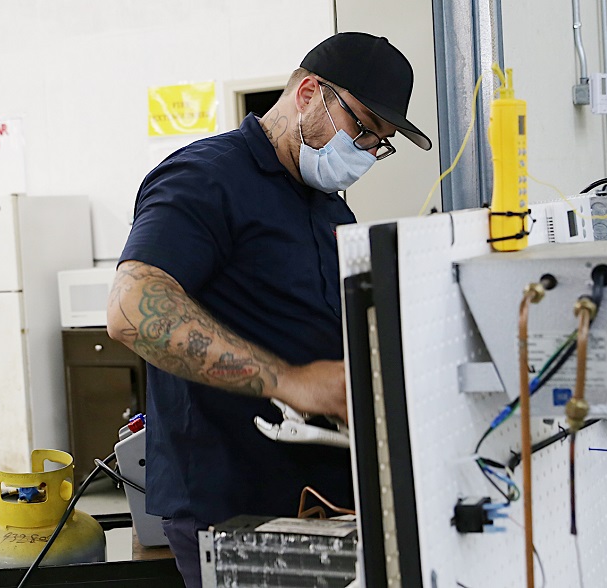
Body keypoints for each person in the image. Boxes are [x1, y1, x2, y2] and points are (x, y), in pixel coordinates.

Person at [107, 31, 432, 587]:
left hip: (322, 497)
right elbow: (131, 308)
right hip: (233, 507)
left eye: (380, 144)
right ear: (308, 93)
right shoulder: (206, 178)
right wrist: (290, 380)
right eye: (362, 130)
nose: (367, 155)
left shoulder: (329, 207)